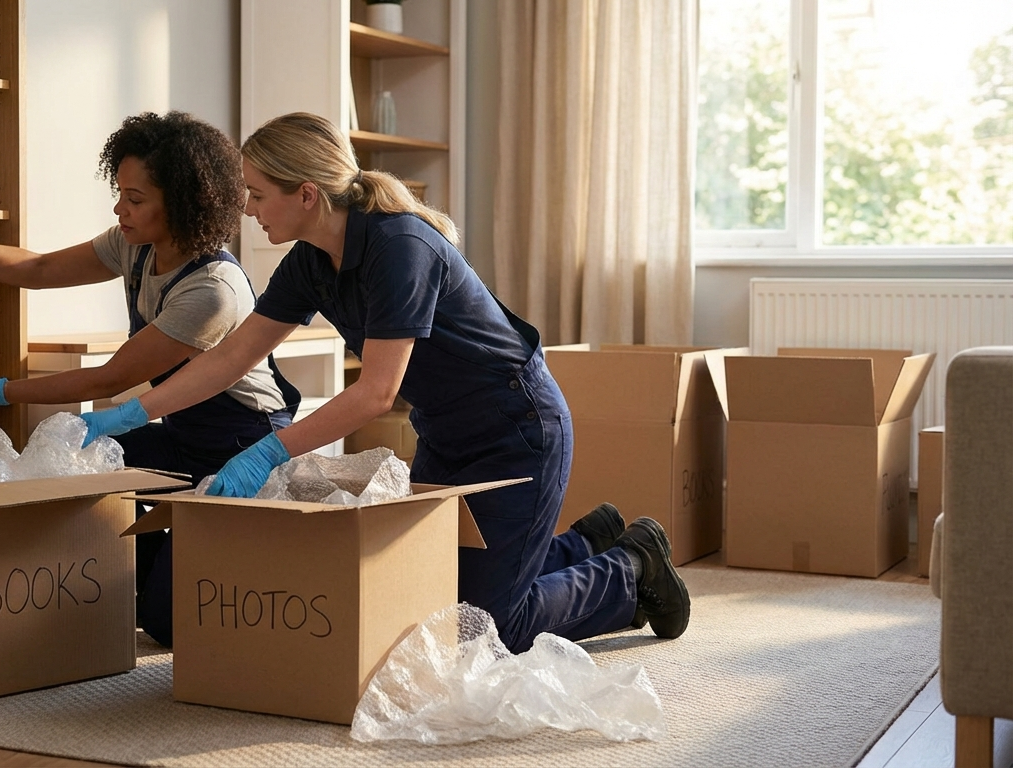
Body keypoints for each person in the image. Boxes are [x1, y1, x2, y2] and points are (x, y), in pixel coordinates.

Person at [78, 112, 691, 653]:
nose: (247, 208)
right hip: (447, 436)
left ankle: (631, 568)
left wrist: (266, 452)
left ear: (308, 195)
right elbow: (231, 357)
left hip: (518, 431)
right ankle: (587, 541)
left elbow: (374, 393)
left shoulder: (398, 247)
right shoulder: (310, 262)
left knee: (484, 629)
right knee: (423, 599)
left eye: (257, 194)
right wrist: (130, 413)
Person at [0, 111, 301, 647]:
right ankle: (158, 564)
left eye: (135, 198)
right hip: (180, 433)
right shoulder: (135, 243)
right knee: (74, 466)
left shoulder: (212, 290)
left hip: (240, 444)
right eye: (120, 192)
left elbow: (109, 378)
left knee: (167, 625)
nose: (119, 208)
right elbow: (37, 271)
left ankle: (212, 555)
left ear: (182, 201)